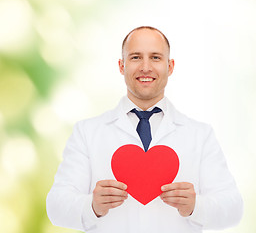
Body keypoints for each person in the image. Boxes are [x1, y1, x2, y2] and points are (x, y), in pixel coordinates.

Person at [46, 26, 243, 233]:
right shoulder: (87, 132)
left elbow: (233, 208)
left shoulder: (200, 135)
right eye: (136, 57)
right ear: (122, 66)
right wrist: (92, 206)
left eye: (156, 57)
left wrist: (196, 206)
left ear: (170, 66)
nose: (146, 67)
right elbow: (56, 206)